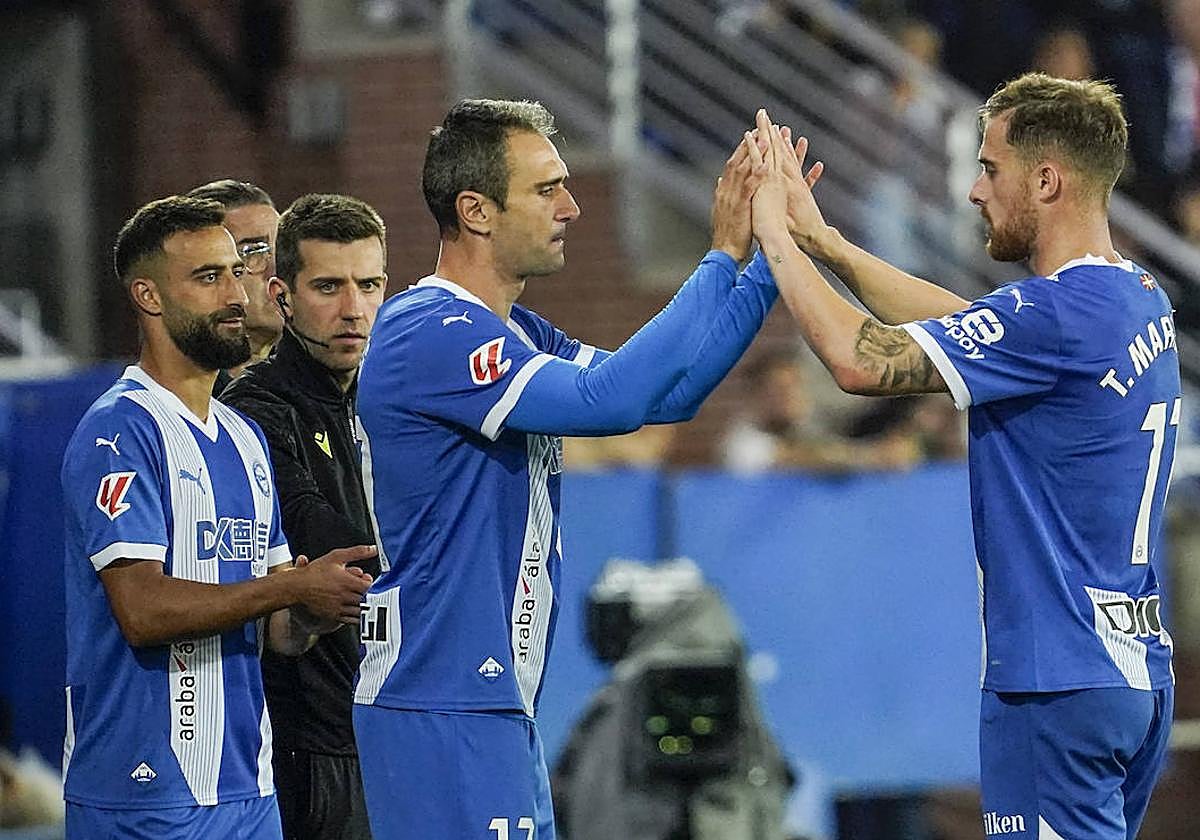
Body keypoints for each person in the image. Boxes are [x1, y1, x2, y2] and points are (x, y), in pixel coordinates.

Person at [351, 98, 817, 839]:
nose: (570, 207)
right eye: (546, 188)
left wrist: (771, 259)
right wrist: (721, 255)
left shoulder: (517, 332)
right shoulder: (428, 330)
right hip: (438, 704)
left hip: (490, 707)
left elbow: (671, 392)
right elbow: (616, 400)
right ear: (476, 210)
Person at [748, 74, 1178, 838]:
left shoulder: (1051, 314)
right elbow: (968, 325)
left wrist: (775, 235)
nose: (976, 190)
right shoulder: (1134, 295)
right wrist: (828, 244)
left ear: (1047, 179)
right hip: (1132, 672)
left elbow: (858, 360)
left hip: (1054, 681)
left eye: (990, 168)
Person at [60, 195, 375, 840]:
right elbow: (143, 611)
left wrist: (317, 605)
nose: (236, 292)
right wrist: (290, 587)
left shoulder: (242, 437)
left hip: (249, 789)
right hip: (142, 794)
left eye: (237, 271)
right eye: (208, 278)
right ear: (149, 296)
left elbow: (282, 633)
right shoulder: (120, 431)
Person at [221, 193, 387, 840]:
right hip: (313, 749)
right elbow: (329, 540)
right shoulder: (256, 407)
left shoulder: (389, 395)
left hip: (397, 729)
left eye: (369, 285)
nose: (353, 309)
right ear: (282, 296)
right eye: (328, 286)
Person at [187, 179, 284, 390]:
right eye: (253, 251)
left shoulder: (326, 387)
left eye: (282, 248)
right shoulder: (165, 406)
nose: (277, 269)